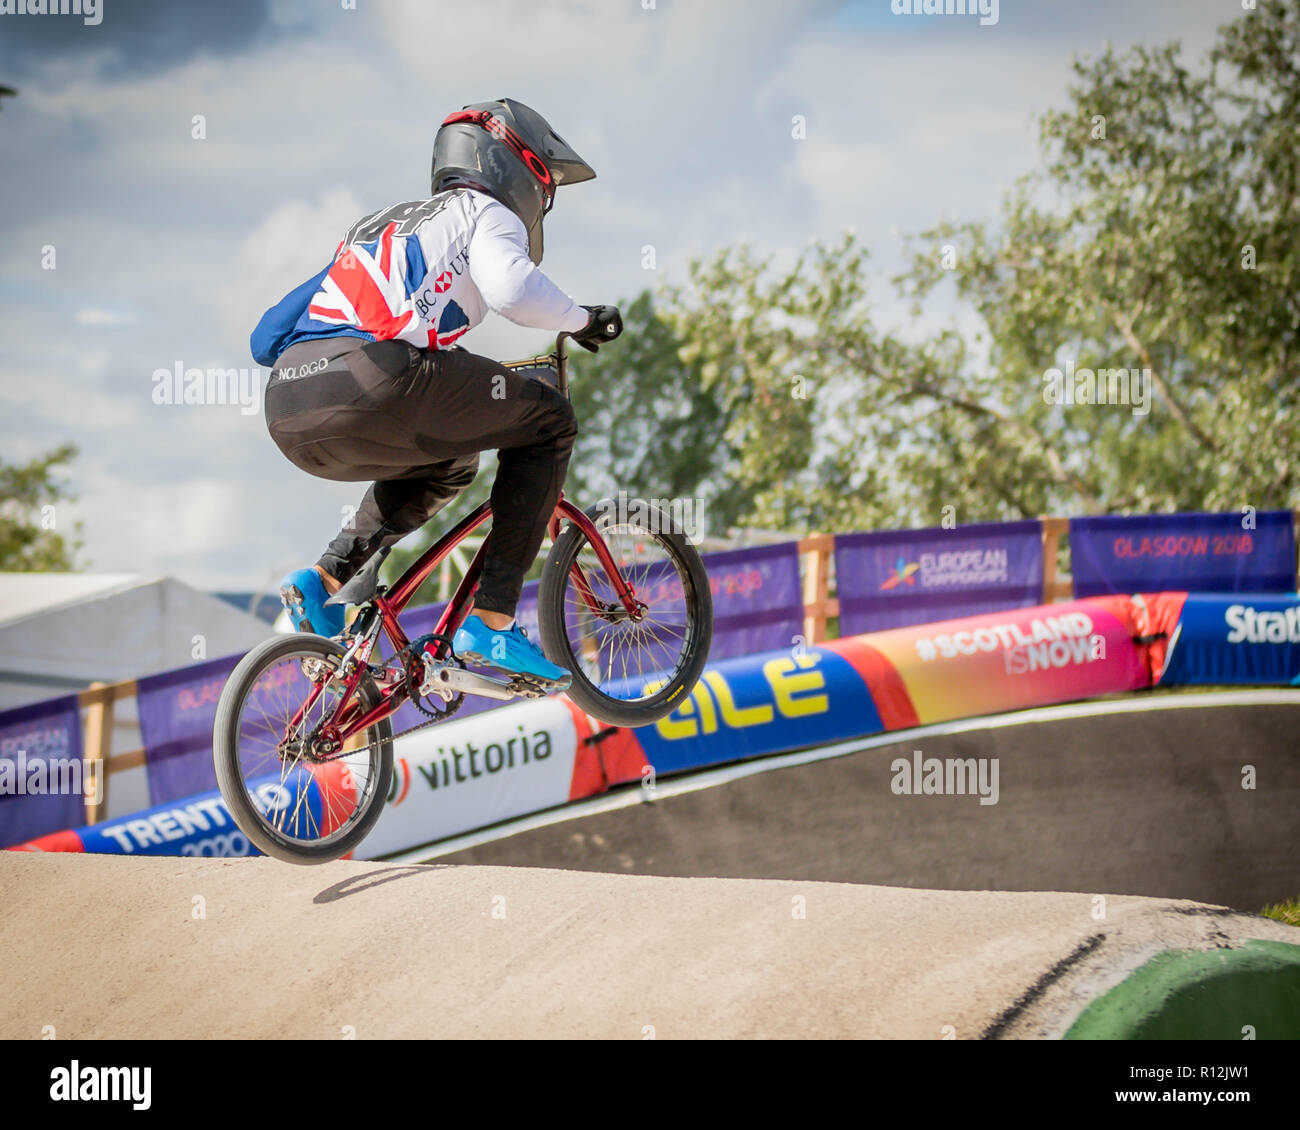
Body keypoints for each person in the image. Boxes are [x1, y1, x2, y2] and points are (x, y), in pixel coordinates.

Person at [249, 99, 622, 689]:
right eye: (544, 188)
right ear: (516, 169)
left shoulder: (380, 226)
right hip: (376, 380)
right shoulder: (485, 212)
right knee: (549, 420)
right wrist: (580, 319)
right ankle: (494, 620)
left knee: (452, 460)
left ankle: (322, 582)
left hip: (289, 408)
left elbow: (265, 337)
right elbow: (510, 287)